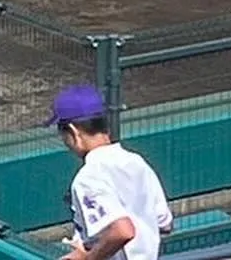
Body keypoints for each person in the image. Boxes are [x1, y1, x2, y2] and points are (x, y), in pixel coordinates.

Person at [47, 84, 173, 260]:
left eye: (63, 135)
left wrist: (88, 257)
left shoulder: (88, 178)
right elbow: (165, 224)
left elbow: (122, 231)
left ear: (74, 132)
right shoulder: (136, 162)